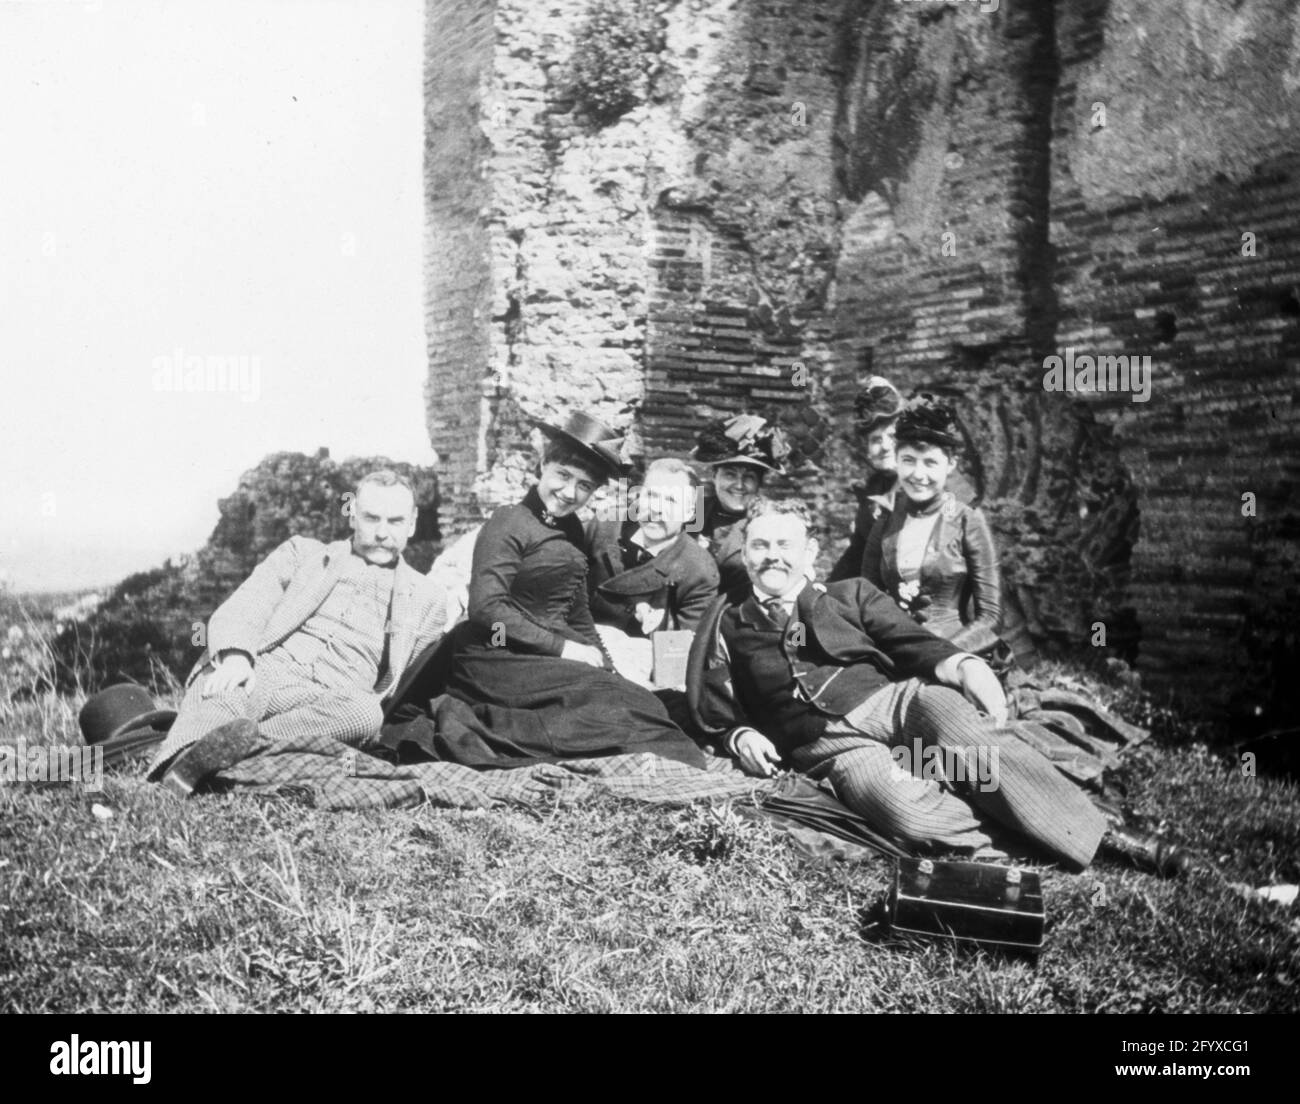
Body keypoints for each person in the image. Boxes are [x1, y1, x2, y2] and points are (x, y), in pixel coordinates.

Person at [686, 496, 1192, 875]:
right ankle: (1035, 839)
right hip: (831, 746)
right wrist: (739, 736)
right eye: (760, 545)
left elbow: (914, 643)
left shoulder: (849, 595)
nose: (772, 556)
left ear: (810, 552)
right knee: (902, 807)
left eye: (784, 545)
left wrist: (965, 667)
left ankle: (1117, 842)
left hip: (895, 705)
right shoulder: (727, 621)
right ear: (746, 554)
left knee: (966, 742)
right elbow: (714, 702)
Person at [859, 396, 1147, 765]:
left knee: (956, 742)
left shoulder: (966, 521)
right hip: (892, 652)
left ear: (951, 464)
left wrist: (948, 656)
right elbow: (868, 597)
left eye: (931, 462)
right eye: (908, 461)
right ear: (896, 462)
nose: (918, 474)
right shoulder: (884, 521)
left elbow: (991, 615)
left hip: (954, 651)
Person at [415, 411, 707, 769]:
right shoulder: (508, 521)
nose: (570, 492)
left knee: (634, 698)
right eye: (563, 475)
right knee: (609, 706)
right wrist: (563, 647)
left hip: (545, 655)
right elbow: (487, 610)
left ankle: (645, 758)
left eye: (584, 486)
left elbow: (576, 607)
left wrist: (607, 666)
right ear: (543, 465)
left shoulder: (572, 529)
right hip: (494, 655)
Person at [146, 470, 448, 793]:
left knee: (364, 714)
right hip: (265, 671)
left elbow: (411, 686)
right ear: (352, 516)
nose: (382, 533)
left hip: (332, 699)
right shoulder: (303, 553)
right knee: (223, 686)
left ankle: (221, 751)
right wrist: (236, 658)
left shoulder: (427, 598)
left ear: (413, 523)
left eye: (395, 521)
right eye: (371, 519)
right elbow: (250, 601)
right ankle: (182, 764)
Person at [584, 457, 720, 684]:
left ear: (689, 513)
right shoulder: (605, 528)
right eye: (651, 495)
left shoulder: (699, 571)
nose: (656, 509)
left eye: (670, 500)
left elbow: (673, 667)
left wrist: (655, 631)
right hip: (579, 649)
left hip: (633, 679)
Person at [691, 414, 789, 594]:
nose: (739, 485)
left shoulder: (771, 522)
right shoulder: (693, 513)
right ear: (714, 477)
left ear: (759, 484)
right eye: (730, 474)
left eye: (749, 477)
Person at [829, 376, 904, 583]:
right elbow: (857, 557)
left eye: (892, 436)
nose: (886, 446)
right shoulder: (874, 490)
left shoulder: (927, 485)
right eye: (876, 440)